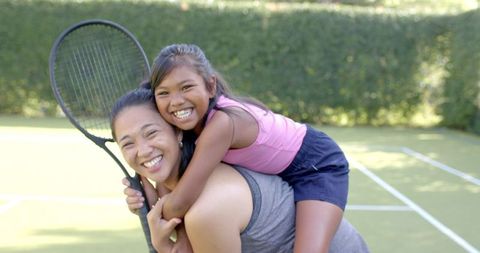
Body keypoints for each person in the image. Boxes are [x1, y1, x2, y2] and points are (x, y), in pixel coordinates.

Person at [111, 87, 370, 253]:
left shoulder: (208, 209)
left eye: (151, 133)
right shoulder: (182, 184)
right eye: (128, 143)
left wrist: (165, 249)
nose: (143, 151)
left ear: (178, 130)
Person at [149, 44, 349, 252]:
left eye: (186, 87)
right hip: (279, 172)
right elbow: (171, 182)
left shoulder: (223, 124)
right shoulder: (190, 127)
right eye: (164, 93)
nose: (176, 101)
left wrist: (156, 208)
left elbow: (180, 203)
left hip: (317, 166)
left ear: (210, 87)